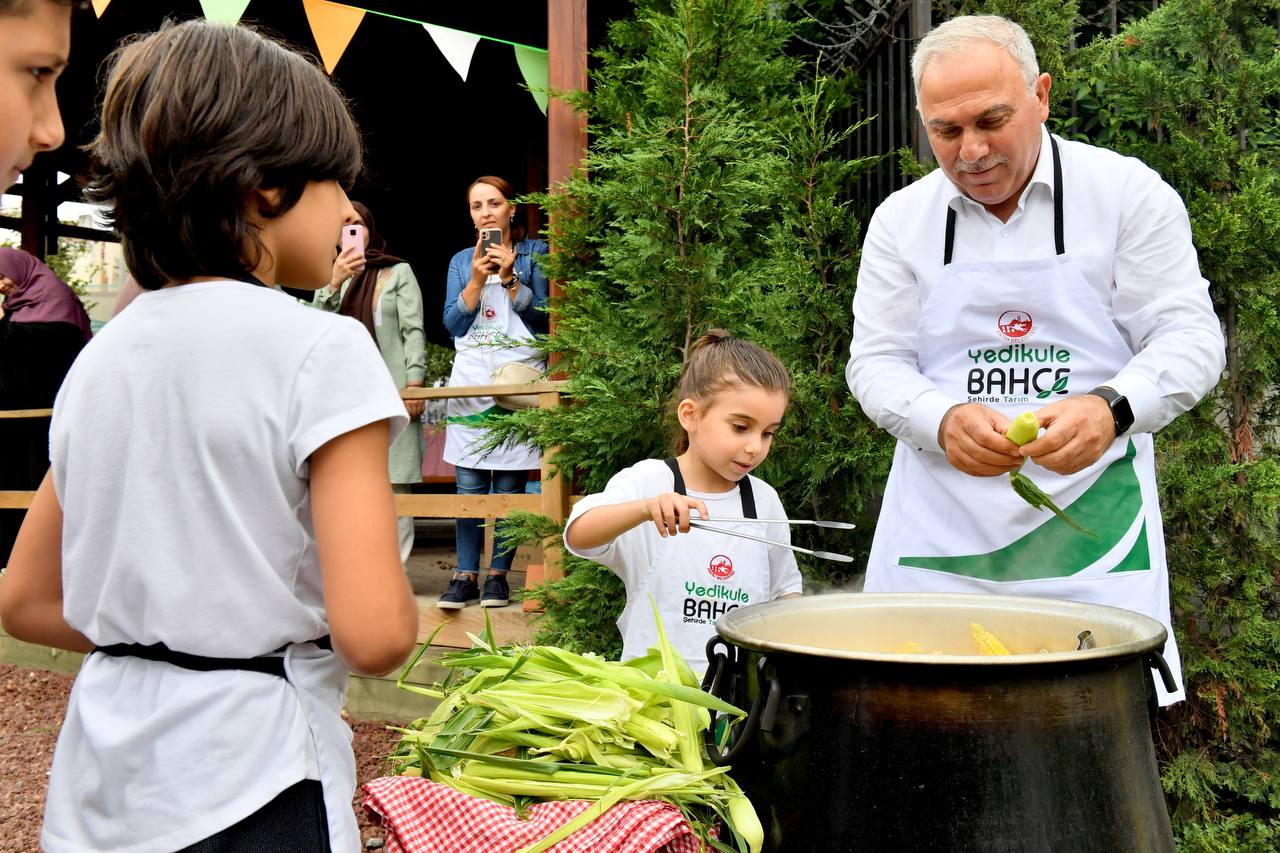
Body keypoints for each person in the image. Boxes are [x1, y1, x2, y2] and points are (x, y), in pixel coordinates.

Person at [0, 20, 419, 852]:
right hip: (255, 778)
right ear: (266, 188)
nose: (345, 208)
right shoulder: (323, 347)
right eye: (336, 181)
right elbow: (375, 634)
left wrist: (163, 633)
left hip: (100, 782)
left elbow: (24, 599)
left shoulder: (97, 359)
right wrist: (229, 634)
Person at [845, 16, 1225, 704]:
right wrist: (941, 417)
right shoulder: (902, 222)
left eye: (992, 120)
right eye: (946, 131)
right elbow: (875, 361)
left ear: (1042, 95)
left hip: (1095, 551)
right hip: (939, 550)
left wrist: (1112, 408)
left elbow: (1190, 337)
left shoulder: (1126, 196)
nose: (972, 151)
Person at [564, 330, 803, 674]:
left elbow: (785, 593)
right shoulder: (650, 481)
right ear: (690, 415)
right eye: (740, 427)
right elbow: (578, 533)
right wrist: (645, 509)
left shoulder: (763, 501)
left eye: (767, 433)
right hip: (653, 697)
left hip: (740, 702)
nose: (755, 447)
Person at [439, 175, 549, 609]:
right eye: (476, 206)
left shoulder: (537, 254)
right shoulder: (461, 260)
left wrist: (509, 278)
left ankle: (498, 577)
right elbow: (452, 324)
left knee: (507, 484)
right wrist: (473, 282)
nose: (485, 212)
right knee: (468, 484)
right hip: (471, 380)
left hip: (516, 380)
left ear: (511, 209)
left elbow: (546, 320)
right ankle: (465, 574)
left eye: (494, 203)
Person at [314, 201, 427, 566]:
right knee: (349, 484)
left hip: (392, 392)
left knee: (395, 486)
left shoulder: (397, 272)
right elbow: (314, 330)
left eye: (357, 224)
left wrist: (415, 382)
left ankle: (396, 571)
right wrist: (333, 281)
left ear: (370, 229)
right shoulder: (324, 276)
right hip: (346, 396)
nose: (351, 231)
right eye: (343, 225)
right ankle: (356, 569)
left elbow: (413, 331)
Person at [0, 249, 89, 567]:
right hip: (10, 428)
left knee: (41, 499)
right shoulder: (15, 310)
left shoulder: (58, 304)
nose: (2, 285)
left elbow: (58, 354)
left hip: (44, 426)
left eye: (2, 275)